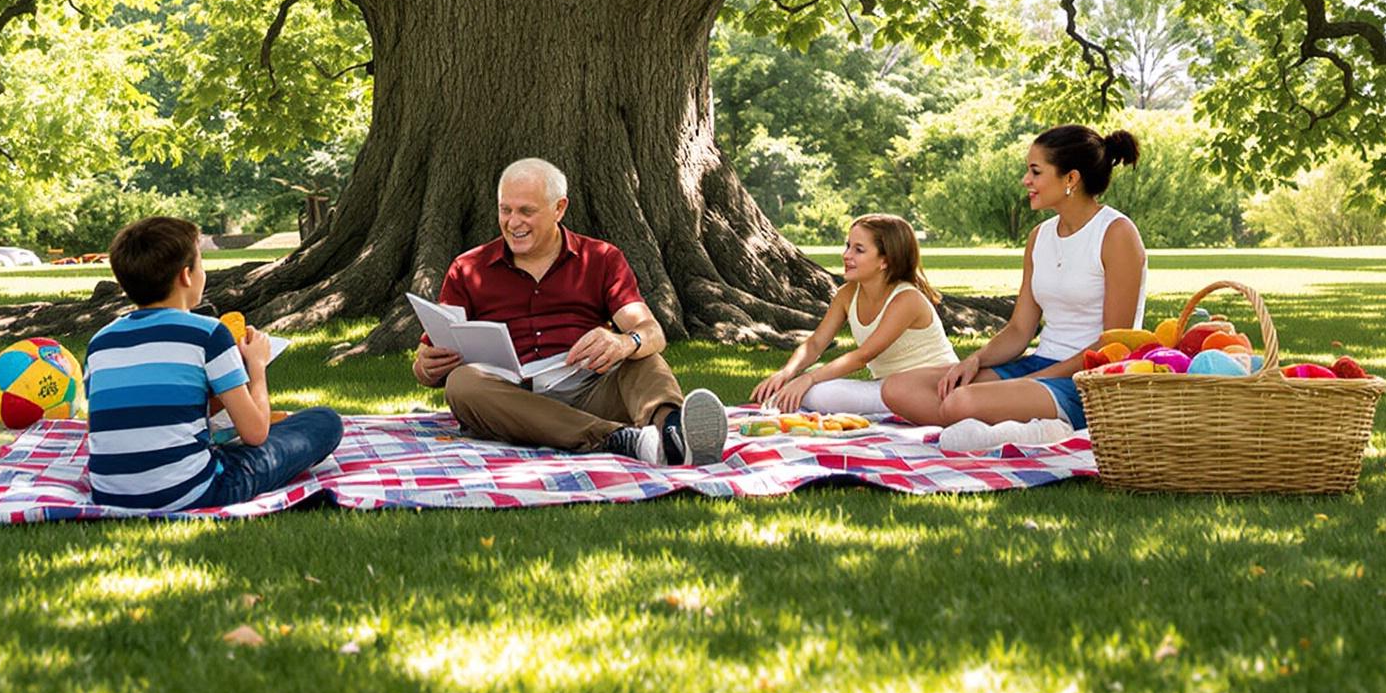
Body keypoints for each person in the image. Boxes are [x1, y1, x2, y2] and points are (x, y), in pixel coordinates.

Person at [411, 158, 728, 466]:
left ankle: (675, 432)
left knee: (644, 356)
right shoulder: (468, 268)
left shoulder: (601, 258)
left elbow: (651, 331)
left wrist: (623, 342)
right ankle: (618, 438)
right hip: (511, 398)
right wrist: (425, 368)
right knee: (462, 383)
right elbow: (430, 357)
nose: (513, 222)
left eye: (527, 211)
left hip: (589, 386)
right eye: (505, 210)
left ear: (559, 208)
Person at [880, 125, 1147, 448]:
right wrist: (975, 360)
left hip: (1088, 378)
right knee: (898, 388)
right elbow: (1021, 328)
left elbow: (1112, 345)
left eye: (1036, 171)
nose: (1026, 180)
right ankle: (1019, 426)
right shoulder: (1040, 237)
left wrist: (1035, 380)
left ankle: (1037, 425)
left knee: (959, 402)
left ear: (1071, 179)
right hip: (1039, 363)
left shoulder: (1116, 233)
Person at [83, 216, 343, 514]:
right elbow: (255, 433)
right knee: (325, 421)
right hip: (193, 491)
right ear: (186, 276)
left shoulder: (100, 342)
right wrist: (256, 366)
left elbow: (106, 424)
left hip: (110, 494)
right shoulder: (208, 333)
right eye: (201, 263)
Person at [749, 213, 954, 416]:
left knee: (814, 390)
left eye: (859, 250)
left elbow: (863, 356)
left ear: (885, 261)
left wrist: (808, 379)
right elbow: (815, 343)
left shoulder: (907, 300)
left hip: (931, 387)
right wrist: (786, 373)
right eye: (848, 246)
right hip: (886, 386)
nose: (847, 255)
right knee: (812, 383)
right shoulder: (847, 294)